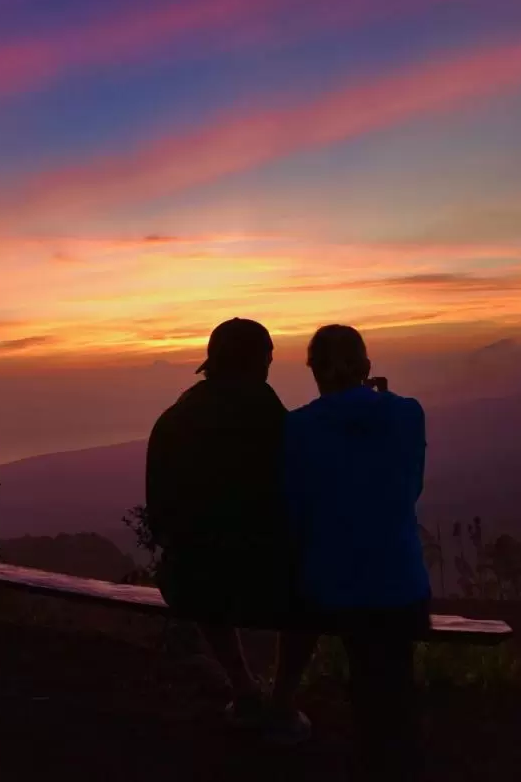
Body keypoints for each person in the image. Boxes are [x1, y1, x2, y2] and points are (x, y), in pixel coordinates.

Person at [145, 318, 312, 741]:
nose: (271, 366)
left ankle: (243, 691)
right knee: (319, 582)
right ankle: (283, 702)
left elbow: (160, 520)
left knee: (197, 566)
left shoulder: (173, 417)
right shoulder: (269, 413)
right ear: (257, 360)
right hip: (262, 582)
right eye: (269, 357)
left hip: (189, 583)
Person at [284, 324, 430, 779]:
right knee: (390, 682)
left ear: (314, 373)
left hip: (332, 587)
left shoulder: (297, 426)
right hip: (401, 586)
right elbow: (411, 490)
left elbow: (295, 510)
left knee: (366, 673)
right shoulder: (409, 414)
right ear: (367, 367)